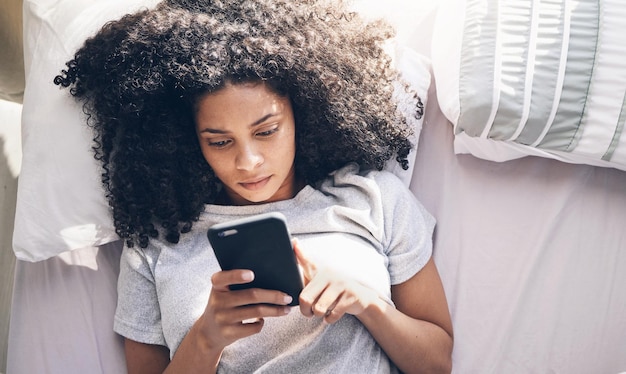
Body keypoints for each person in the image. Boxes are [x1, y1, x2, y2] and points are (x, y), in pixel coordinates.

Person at [54, 0, 453, 372]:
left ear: (306, 111)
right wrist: (205, 338)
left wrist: (367, 304)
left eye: (266, 131)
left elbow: (438, 362)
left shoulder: (374, 198)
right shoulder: (156, 241)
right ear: (186, 139)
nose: (248, 162)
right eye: (220, 141)